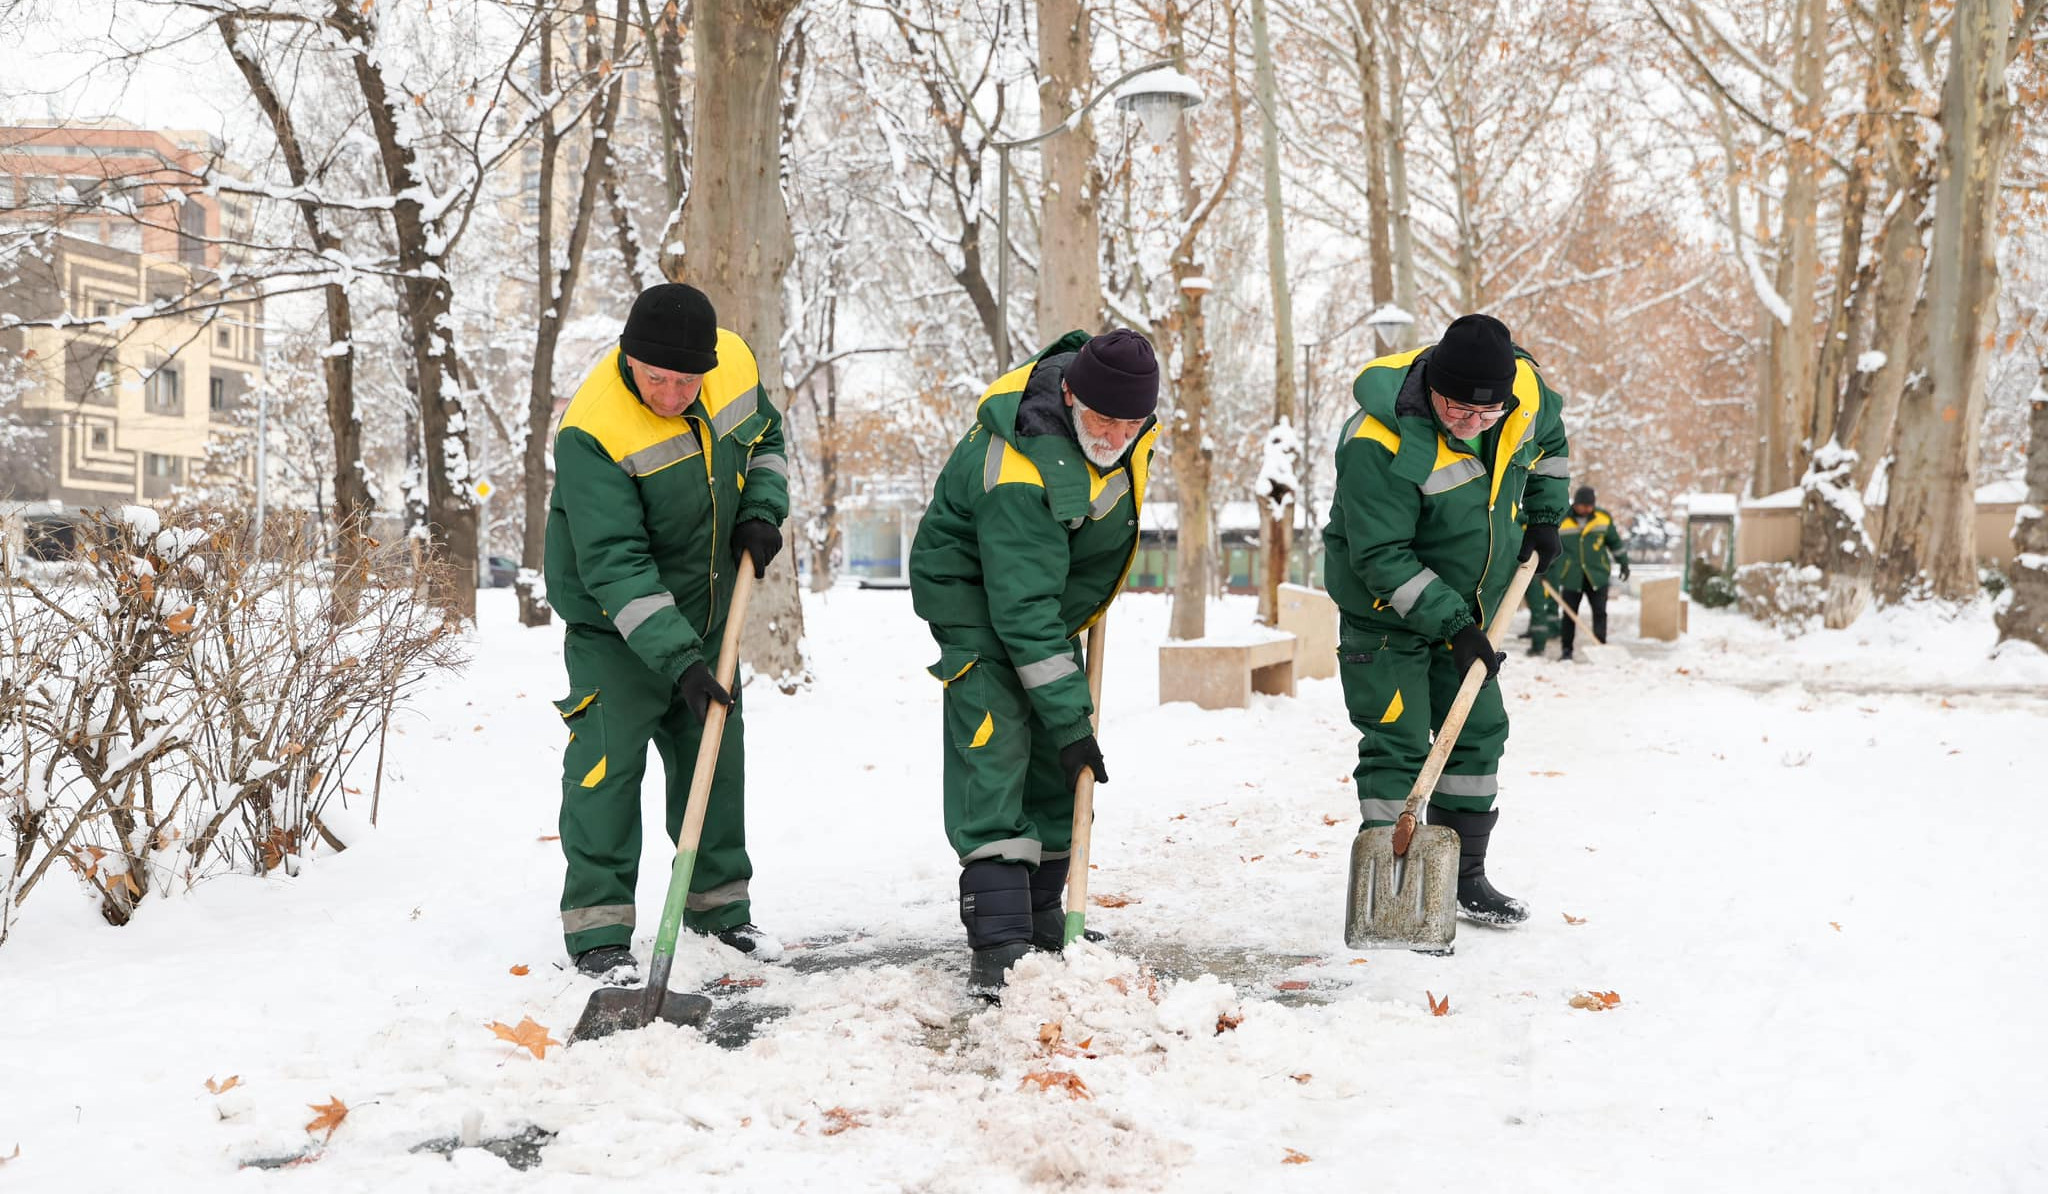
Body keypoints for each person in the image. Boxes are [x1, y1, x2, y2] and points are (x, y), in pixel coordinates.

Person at [543, 283, 790, 982]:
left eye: (688, 381)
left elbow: (767, 438)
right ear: (629, 359)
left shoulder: (732, 365)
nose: (675, 393)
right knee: (605, 772)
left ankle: (718, 912)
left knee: (713, 761)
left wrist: (763, 512)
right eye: (658, 379)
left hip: (711, 611)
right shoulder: (594, 428)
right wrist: (678, 658)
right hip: (612, 629)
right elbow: (614, 564)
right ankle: (598, 931)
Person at [908, 328, 1160, 994]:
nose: (1114, 436)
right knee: (996, 749)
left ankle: (1043, 915)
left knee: (1056, 757)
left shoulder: (1120, 432)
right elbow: (1019, 613)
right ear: (1070, 394)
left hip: (1043, 606)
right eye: (1103, 419)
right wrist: (1075, 723)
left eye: (1131, 423)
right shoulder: (1018, 468)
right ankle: (998, 943)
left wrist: (1067, 726)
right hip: (977, 606)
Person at [1323, 313, 1571, 926]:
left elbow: (1551, 448)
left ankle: (1464, 877)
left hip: (1471, 610)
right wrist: (1453, 626)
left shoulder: (1527, 398)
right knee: (1396, 741)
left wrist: (1543, 514)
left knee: (1478, 730)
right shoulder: (1376, 440)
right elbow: (1380, 555)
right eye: (1458, 409)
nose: (1472, 423)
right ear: (1432, 382)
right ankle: (1392, 889)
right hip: (1385, 612)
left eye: (1488, 414)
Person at [1554, 485, 1630, 661]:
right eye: (1583, 505)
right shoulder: (1562, 519)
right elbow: (1551, 546)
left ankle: (1600, 645)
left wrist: (1624, 563)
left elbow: (1615, 543)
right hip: (1571, 575)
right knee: (1569, 614)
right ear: (1576, 504)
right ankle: (1566, 651)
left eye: (1590, 505)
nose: (1587, 509)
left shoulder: (1602, 518)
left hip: (1597, 574)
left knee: (1600, 612)